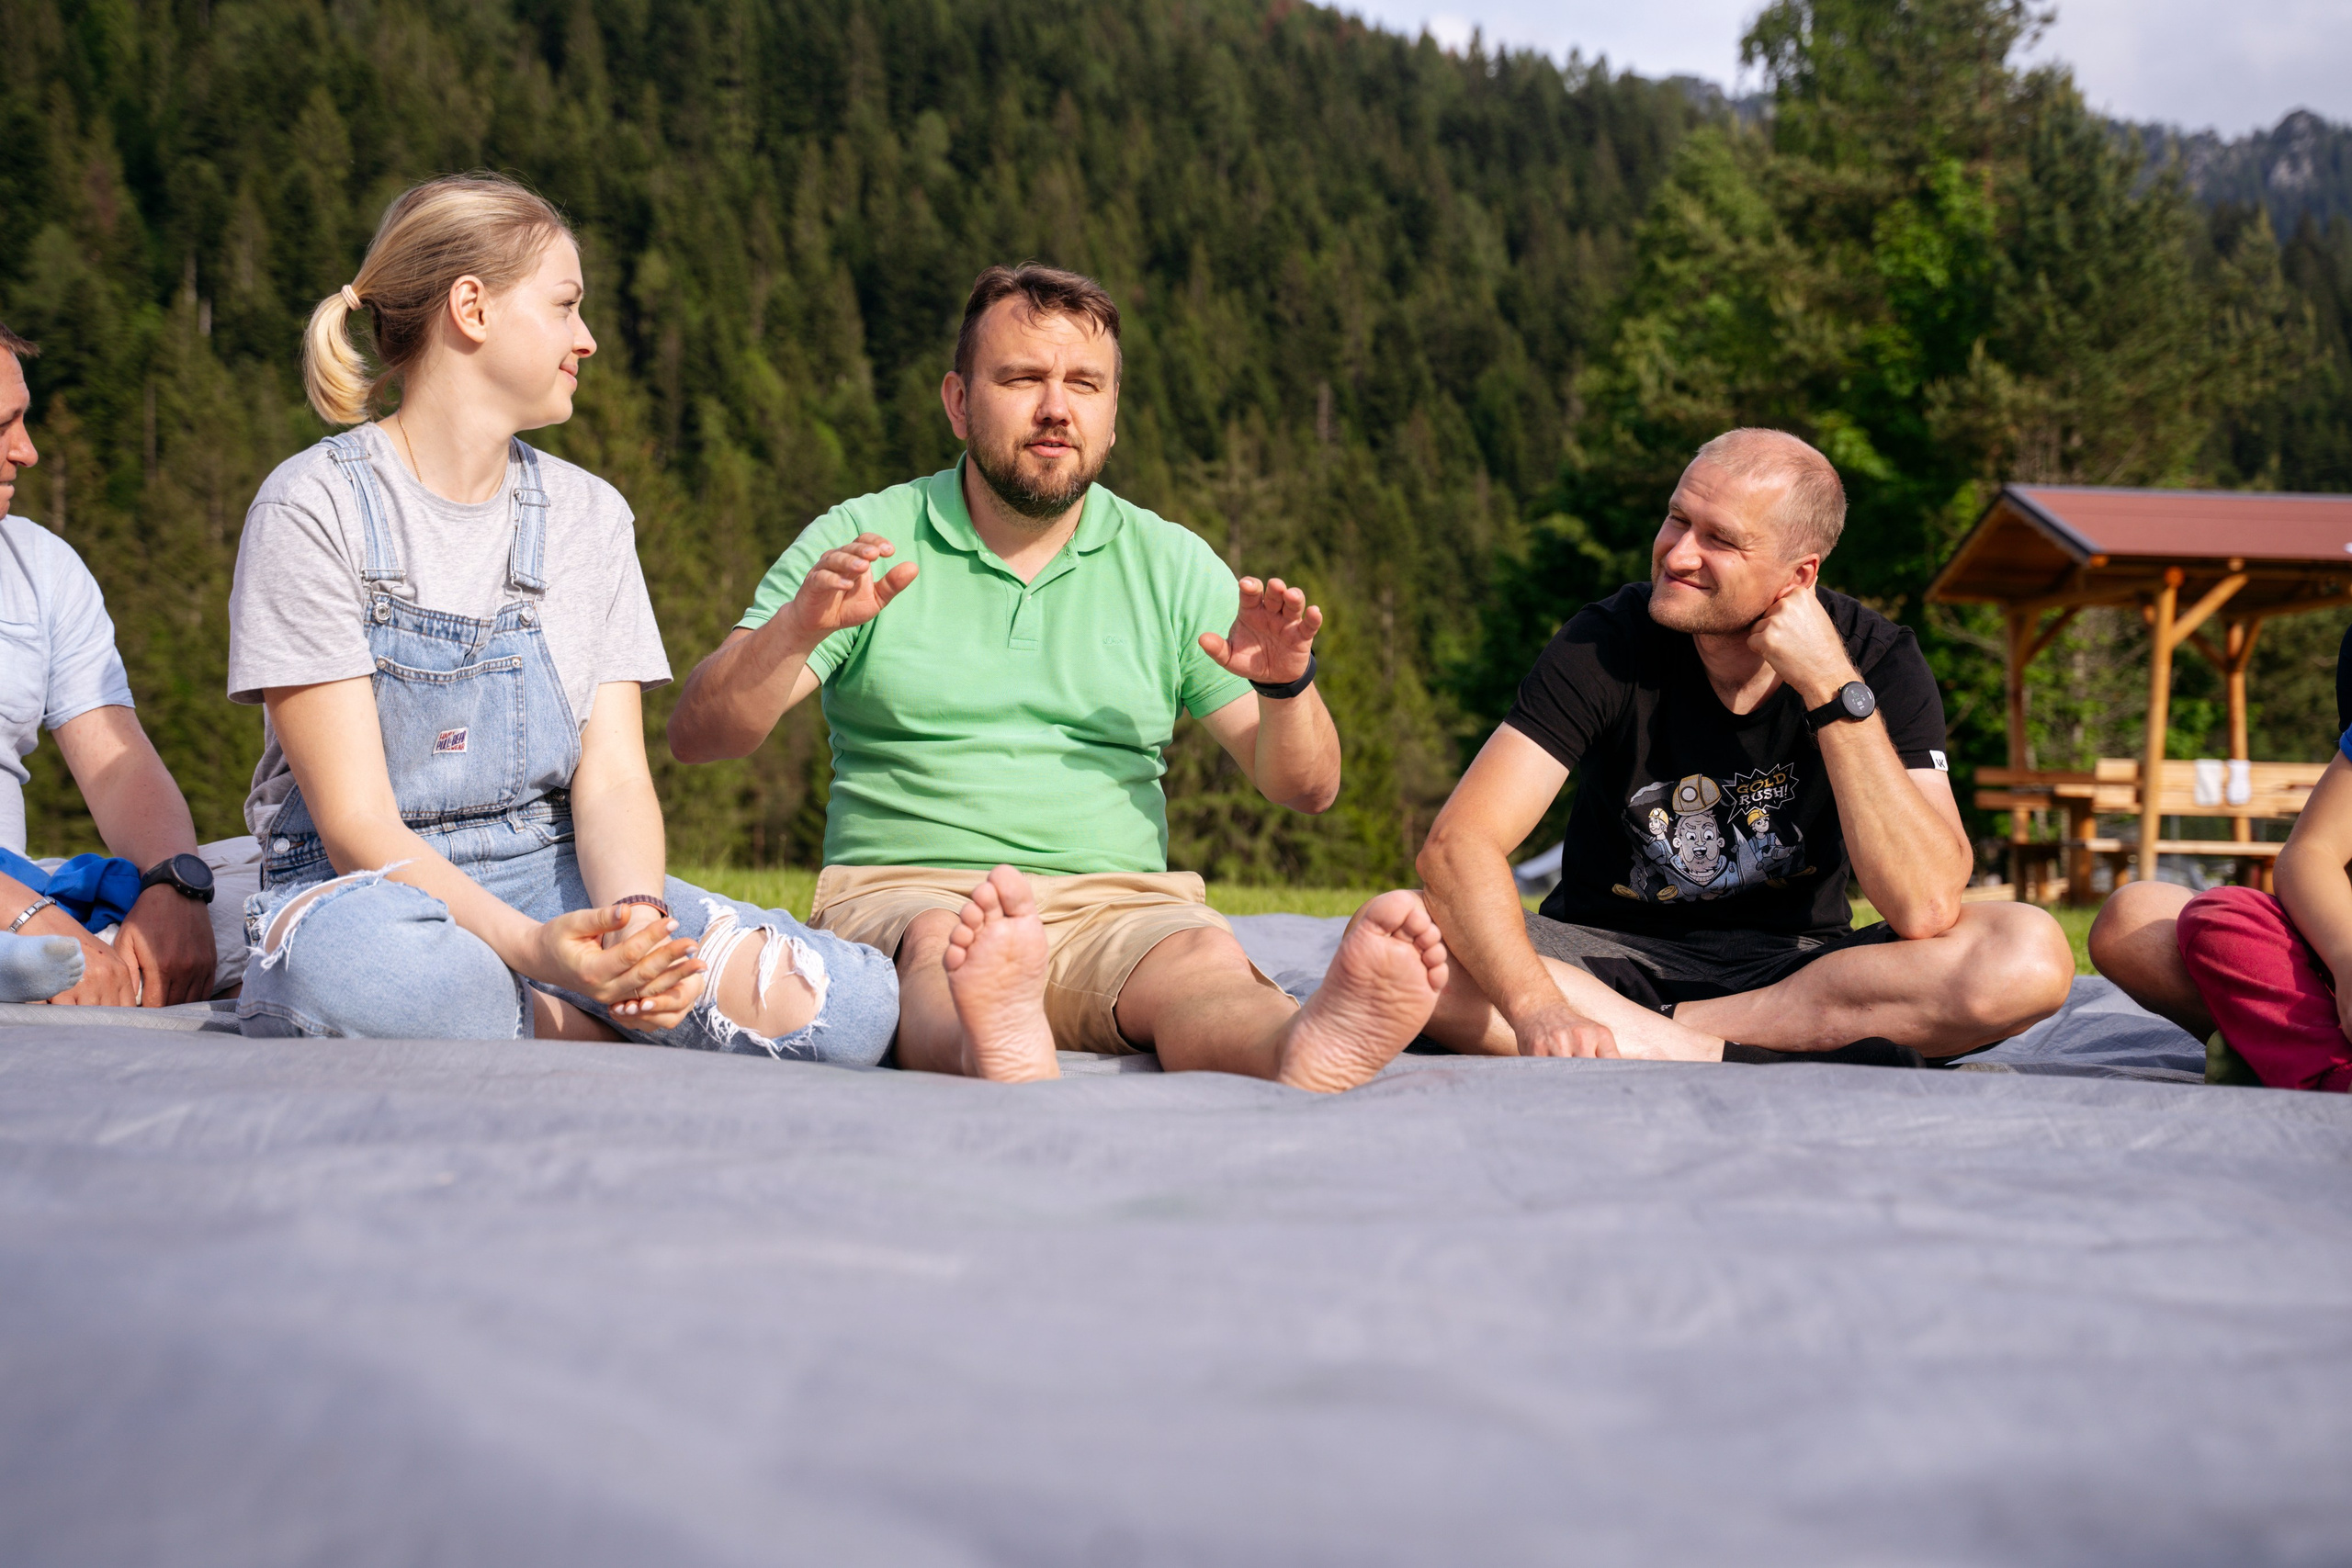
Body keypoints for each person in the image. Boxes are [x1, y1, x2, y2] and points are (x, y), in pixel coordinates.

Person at [667, 264, 1448, 1089]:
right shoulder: (866, 538)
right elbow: (700, 735)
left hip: (1121, 902)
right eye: (1022, 379)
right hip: (912, 892)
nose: (1056, 407)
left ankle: (1299, 1046)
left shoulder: (1172, 563)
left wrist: (1287, 686)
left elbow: (1307, 788)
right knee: (938, 950)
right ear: (958, 402)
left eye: (1084, 383)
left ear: (1112, 416)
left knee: (1201, 959)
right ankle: (990, 1041)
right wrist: (794, 630)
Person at [226, 173, 898, 1056]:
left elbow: (612, 779)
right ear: (472, 308)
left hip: (552, 872)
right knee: (350, 971)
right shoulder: (312, 506)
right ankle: (565, 1024)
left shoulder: (592, 516)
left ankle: (532, 1017)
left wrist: (637, 928)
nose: (587, 339)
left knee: (845, 1006)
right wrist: (537, 952)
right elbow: (357, 828)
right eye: (566, 305)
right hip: (369, 891)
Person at [1415, 429, 2075, 1064]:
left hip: (1797, 972)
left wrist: (1829, 685)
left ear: (1799, 575)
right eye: (1677, 519)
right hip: (1599, 957)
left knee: (2026, 956)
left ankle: (1659, 1040)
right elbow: (1457, 846)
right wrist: (1536, 1006)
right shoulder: (1607, 642)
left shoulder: (1877, 659)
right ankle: (1735, 1053)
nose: (1677, 555)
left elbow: (1924, 905)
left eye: (1721, 540)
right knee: (1406, 934)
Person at [0, 319, 229, 1006]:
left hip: (24, 892)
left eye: (24, 420)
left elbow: (118, 766)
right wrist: (21, 911)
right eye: (2, 426)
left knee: (271, 895)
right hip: (16, 907)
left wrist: (174, 883)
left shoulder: (40, 566)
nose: (27, 451)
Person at [2086, 622, 2352, 1081]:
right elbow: (2311, 852)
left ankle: (2292, 1063)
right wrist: (2347, 957)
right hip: (2335, 951)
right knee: (2148, 918)